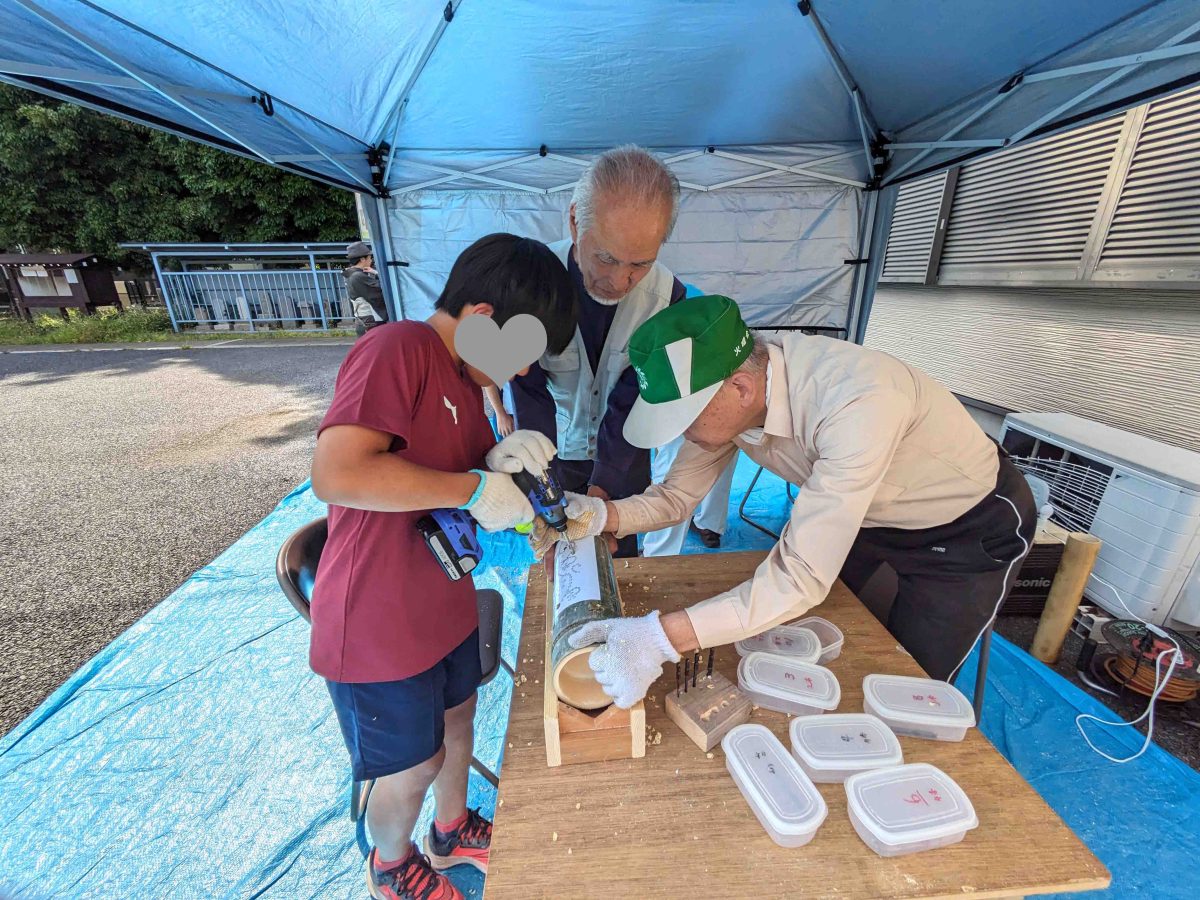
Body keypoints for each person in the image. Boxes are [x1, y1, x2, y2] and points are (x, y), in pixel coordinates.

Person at [546, 295, 1035, 709]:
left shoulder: (855, 402)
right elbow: (675, 498)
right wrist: (598, 516)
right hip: (867, 516)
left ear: (738, 388)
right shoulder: (730, 395)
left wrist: (660, 638)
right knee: (837, 637)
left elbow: (799, 576)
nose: (680, 434)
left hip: (966, 528)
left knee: (910, 682)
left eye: (684, 418)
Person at [310, 233, 576, 900]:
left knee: (461, 718)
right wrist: (472, 487)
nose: (519, 374)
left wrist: (501, 465)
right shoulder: (398, 349)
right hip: (379, 616)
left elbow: (465, 482)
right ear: (484, 320)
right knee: (415, 760)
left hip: (445, 594)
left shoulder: (467, 378)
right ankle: (391, 866)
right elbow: (338, 472)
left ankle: (451, 830)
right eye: (520, 355)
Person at [511, 144, 724, 558]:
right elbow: (529, 394)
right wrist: (545, 485)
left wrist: (602, 492)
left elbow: (635, 397)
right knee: (560, 559)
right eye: (606, 258)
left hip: (626, 456)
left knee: (617, 558)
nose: (620, 281)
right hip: (555, 447)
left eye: (639, 264)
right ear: (574, 221)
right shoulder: (530, 285)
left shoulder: (668, 299)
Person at [344, 240, 389, 335]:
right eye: (369, 258)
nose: (371, 260)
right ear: (362, 259)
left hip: (364, 320)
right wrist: (377, 274)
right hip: (370, 321)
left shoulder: (351, 274)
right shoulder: (358, 276)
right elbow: (380, 291)